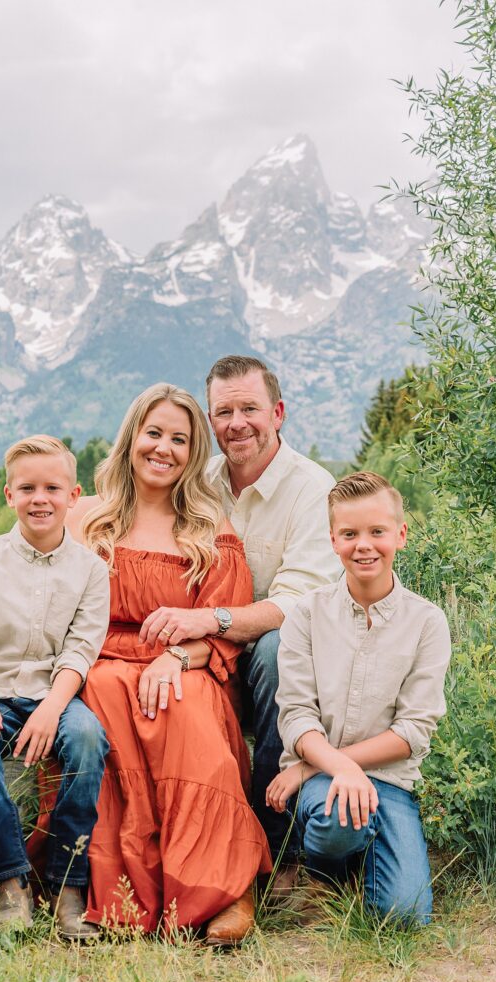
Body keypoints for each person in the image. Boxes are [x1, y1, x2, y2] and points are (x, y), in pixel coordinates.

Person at [67, 383, 271, 943]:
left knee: (183, 708)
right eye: (154, 433)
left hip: (187, 665)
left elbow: (223, 631)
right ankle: (123, 896)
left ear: (193, 452)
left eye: (180, 439)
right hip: (101, 657)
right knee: (108, 692)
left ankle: (226, 890)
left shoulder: (207, 527)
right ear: (132, 437)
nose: (164, 448)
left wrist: (177, 657)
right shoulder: (87, 519)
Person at [139, 355, 341, 886]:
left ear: (277, 412)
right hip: (205, 652)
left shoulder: (312, 490)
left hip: (276, 663)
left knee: (277, 648)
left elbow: (296, 605)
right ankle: (164, 852)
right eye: (224, 412)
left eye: (249, 408)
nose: (237, 423)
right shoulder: (197, 481)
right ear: (210, 421)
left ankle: (276, 847)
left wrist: (205, 619)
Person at [266, 472, 451, 924]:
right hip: (322, 787)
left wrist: (325, 761)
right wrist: (331, 770)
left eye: (376, 532)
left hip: (388, 783)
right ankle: (325, 874)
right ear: (333, 540)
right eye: (349, 534)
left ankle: (364, 864)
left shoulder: (427, 622)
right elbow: (295, 716)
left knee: (403, 916)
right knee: (340, 818)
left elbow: (412, 732)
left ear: (400, 535)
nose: (363, 545)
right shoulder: (307, 615)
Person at [0, 435, 110, 938]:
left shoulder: (92, 569)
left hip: (56, 696)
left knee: (87, 738)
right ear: (8, 495)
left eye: (52, 488)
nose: (40, 498)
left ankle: (67, 885)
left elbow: (81, 649)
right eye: (27, 488)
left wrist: (51, 708)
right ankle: (12, 881)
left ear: (74, 495)